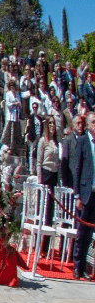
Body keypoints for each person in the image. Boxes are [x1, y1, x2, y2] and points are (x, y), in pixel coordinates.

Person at [68, 117, 95, 279]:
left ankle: (83, 266)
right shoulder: (83, 141)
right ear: (88, 125)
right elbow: (76, 169)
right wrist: (77, 194)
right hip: (84, 194)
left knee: (89, 232)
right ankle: (76, 266)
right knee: (81, 231)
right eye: (93, 122)